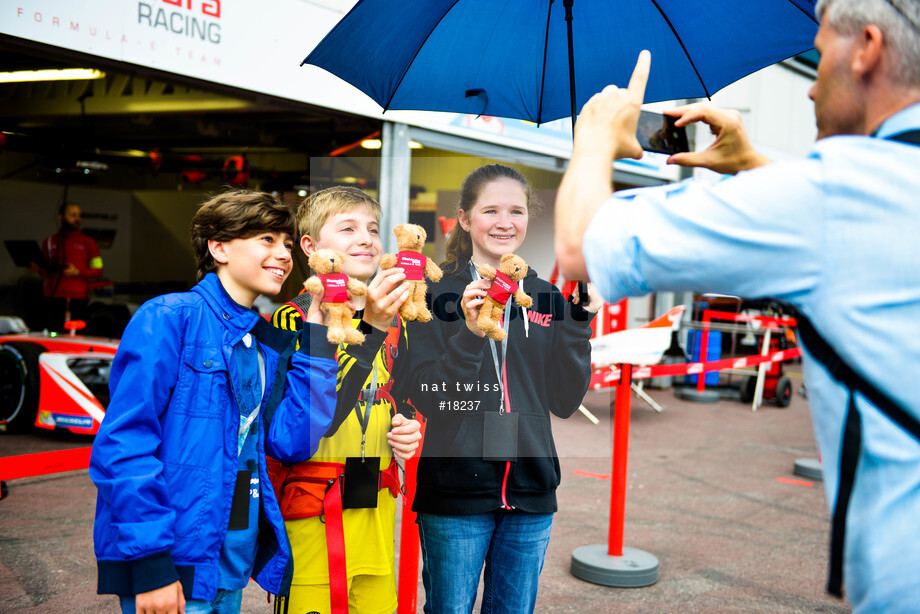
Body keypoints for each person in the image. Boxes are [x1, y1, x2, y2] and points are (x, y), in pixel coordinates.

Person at [554, 1, 920, 611]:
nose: (808, 94)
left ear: (867, 48)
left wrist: (593, 140)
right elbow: (856, 226)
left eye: (823, 49)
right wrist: (753, 166)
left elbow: (579, 246)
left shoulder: (831, 191)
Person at [89, 189, 339, 614]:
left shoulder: (264, 342)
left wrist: (317, 341)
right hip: (175, 564)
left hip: (231, 562)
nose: (283, 254)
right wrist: (152, 566)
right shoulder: (169, 317)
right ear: (219, 247)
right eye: (267, 240)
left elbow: (292, 442)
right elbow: (123, 448)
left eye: (288, 244)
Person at [403, 164, 602, 614]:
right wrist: (471, 335)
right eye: (490, 210)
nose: (505, 222)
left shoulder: (546, 295)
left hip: (531, 488)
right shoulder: (434, 293)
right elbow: (430, 396)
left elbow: (565, 401)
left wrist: (578, 325)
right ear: (464, 219)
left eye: (515, 210)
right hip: (454, 490)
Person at [268, 186, 422, 614]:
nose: (366, 238)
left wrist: (408, 427)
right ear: (311, 247)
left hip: (375, 506)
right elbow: (312, 418)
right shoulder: (292, 320)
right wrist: (370, 327)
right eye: (348, 227)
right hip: (311, 510)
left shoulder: (396, 321)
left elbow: (402, 397)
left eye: (373, 229)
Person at [33, 201, 103, 331]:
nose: (77, 219)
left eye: (79, 215)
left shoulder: (89, 243)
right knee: (52, 334)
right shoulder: (49, 242)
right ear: (61, 217)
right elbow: (45, 272)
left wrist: (78, 272)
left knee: (78, 337)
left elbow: (99, 270)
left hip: (77, 299)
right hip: (52, 297)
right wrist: (38, 269)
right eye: (73, 215)